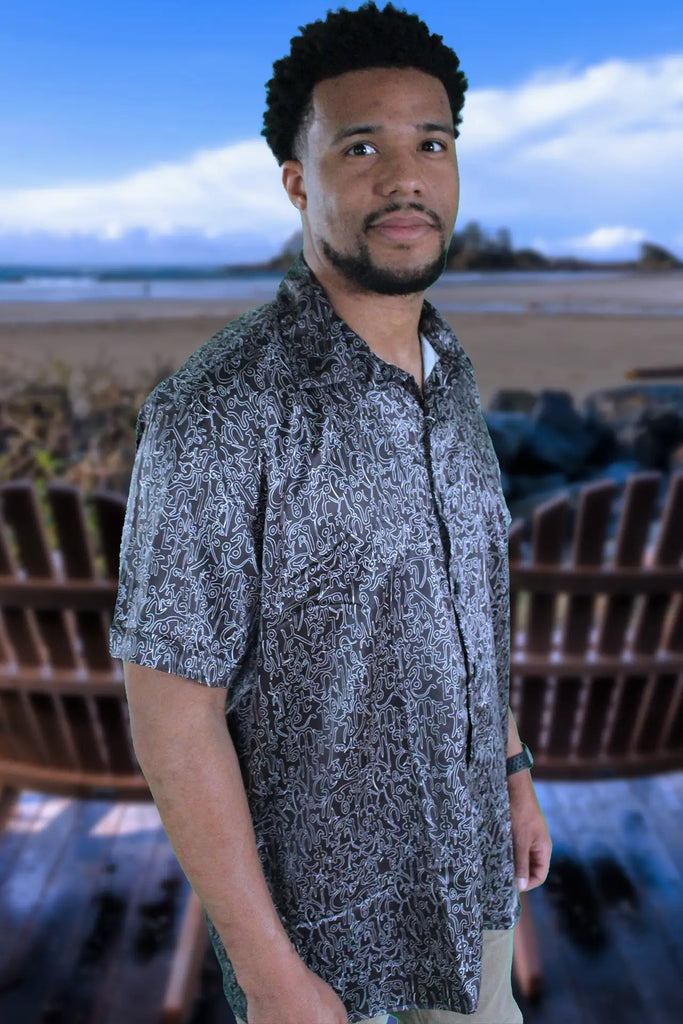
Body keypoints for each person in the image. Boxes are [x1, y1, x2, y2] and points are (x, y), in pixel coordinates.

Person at [109, 4, 552, 1023]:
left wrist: (513, 771)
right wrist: (272, 976)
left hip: (474, 891)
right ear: (297, 181)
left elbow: (463, 607)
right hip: (327, 949)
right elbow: (171, 716)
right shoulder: (218, 410)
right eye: (361, 147)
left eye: (430, 144)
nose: (404, 178)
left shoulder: (447, 369)